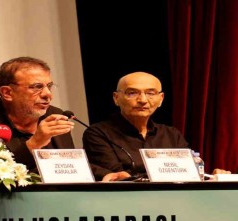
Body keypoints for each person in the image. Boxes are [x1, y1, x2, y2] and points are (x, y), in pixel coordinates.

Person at [83, 71, 229, 181]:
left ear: (161, 99)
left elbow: (187, 172)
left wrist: (212, 177)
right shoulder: (98, 133)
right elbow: (120, 176)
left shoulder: (171, 134)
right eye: (132, 93)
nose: (142, 100)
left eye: (150, 93)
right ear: (116, 98)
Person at [0, 57, 75, 170]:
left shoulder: (54, 115)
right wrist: (33, 144)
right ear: (7, 93)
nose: (47, 94)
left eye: (49, 86)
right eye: (36, 87)